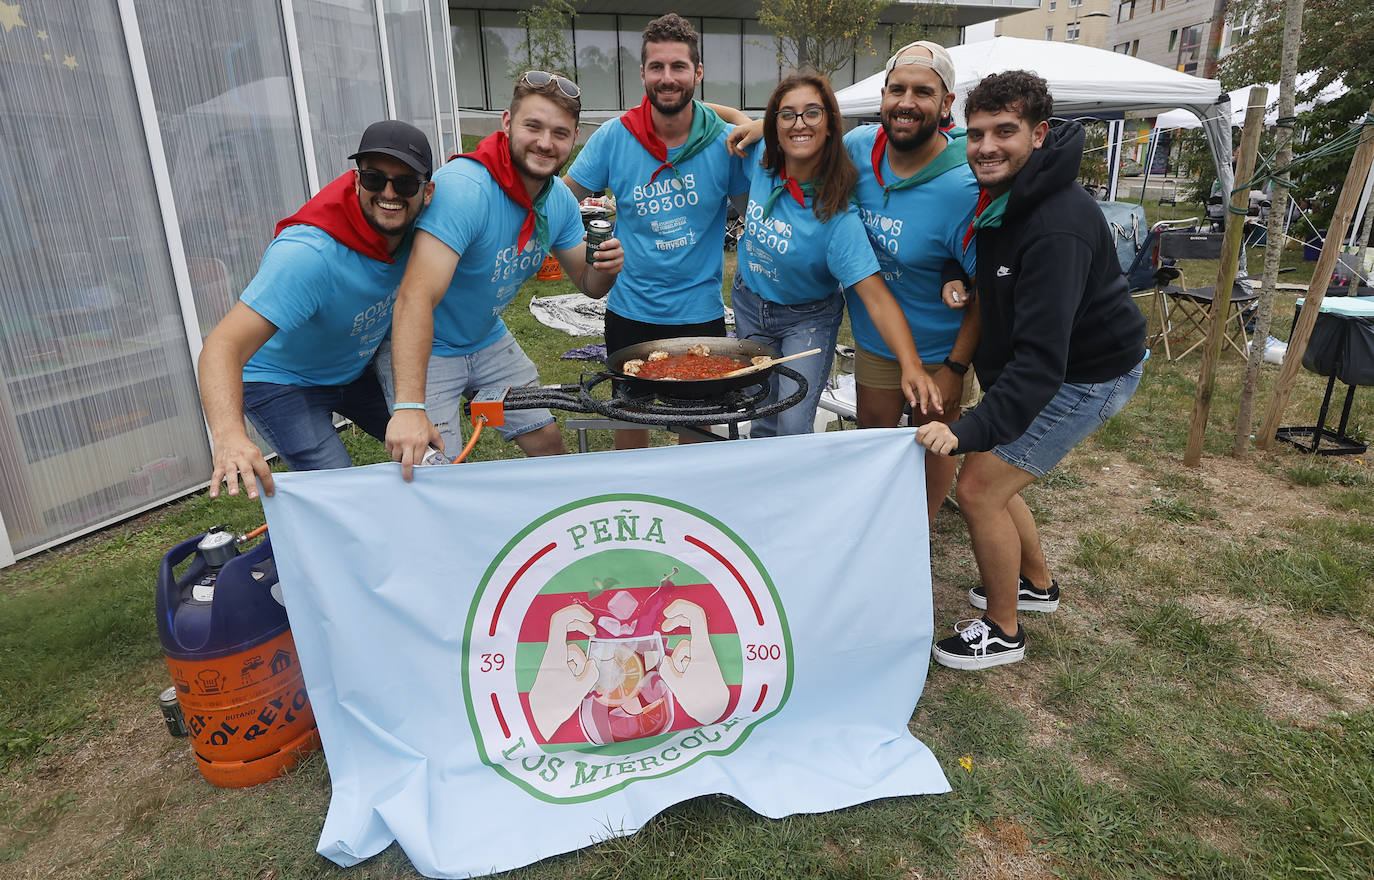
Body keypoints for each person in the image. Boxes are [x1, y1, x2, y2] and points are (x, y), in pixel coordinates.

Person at [916, 70, 1147, 670]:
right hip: (1058, 367)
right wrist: (956, 276)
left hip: (1085, 376)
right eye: (975, 133)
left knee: (977, 488)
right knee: (997, 475)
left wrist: (967, 429)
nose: (986, 146)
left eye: (1005, 131)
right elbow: (983, 256)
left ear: (1040, 134)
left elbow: (1044, 363)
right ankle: (1035, 585)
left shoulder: (1056, 224)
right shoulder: (1007, 196)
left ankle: (1003, 630)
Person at [384, 71, 623, 479]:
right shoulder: (464, 189)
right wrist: (409, 407)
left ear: (574, 139)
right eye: (533, 126)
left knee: (548, 446)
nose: (546, 143)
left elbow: (587, 285)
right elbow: (414, 297)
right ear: (507, 123)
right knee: (435, 472)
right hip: (431, 345)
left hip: (487, 338)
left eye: (560, 133)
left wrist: (606, 268)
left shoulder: (558, 200)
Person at [198, 119, 435, 500]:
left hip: (351, 368)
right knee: (343, 496)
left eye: (405, 183)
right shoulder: (308, 255)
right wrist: (229, 436)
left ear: (427, 192)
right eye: (374, 178)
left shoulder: (423, 232)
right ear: (356, 181)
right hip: (280, 381)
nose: (389, 193)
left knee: (431, 456)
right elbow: (221, 345)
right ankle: (280, 560)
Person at [564, 13, 749, 449]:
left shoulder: (726, 143)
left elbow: (763, 207)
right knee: (630, 429)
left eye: (679, 66)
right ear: (643, 72)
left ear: (697, 73)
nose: (668, 78)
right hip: (629, 312)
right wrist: (584, 253)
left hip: (700, 314)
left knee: (697, 431)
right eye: (657, 67)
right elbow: (560, 200)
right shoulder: (614, 136)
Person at [730, 72, 941, 436]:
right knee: (761, 413)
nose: (800, 123)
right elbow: (718, 119)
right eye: (787, 114)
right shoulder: (763, 159)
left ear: (829, 125)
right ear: (775, 125)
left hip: (806, 319)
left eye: (812, 113)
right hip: (750, 304)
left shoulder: (837, 218)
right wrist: (740, 118)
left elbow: (876, 298)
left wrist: (912, 365)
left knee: (793, 423)